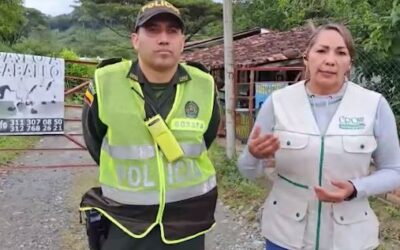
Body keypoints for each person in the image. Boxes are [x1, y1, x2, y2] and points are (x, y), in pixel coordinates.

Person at [238, 23, 400, 250]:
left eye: (340, 52)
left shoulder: (374, 105)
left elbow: (394, 172)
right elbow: (247, 171)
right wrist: (253, 155)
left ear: (349, 64)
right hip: (285, 233)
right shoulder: (278, 102)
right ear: (307, 58)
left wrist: (355, 188)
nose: (330, 60)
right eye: (322, 50)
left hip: (350, 237)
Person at [79, 1, 220, 249]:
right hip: (124, 222)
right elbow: (94, 140)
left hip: (187, 222)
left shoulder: (204, 84)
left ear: (182, 41)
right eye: (153, 30)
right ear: (135, 40)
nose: (163, 39)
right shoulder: (106, 81)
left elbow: (205, 138)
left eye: (172, 31)